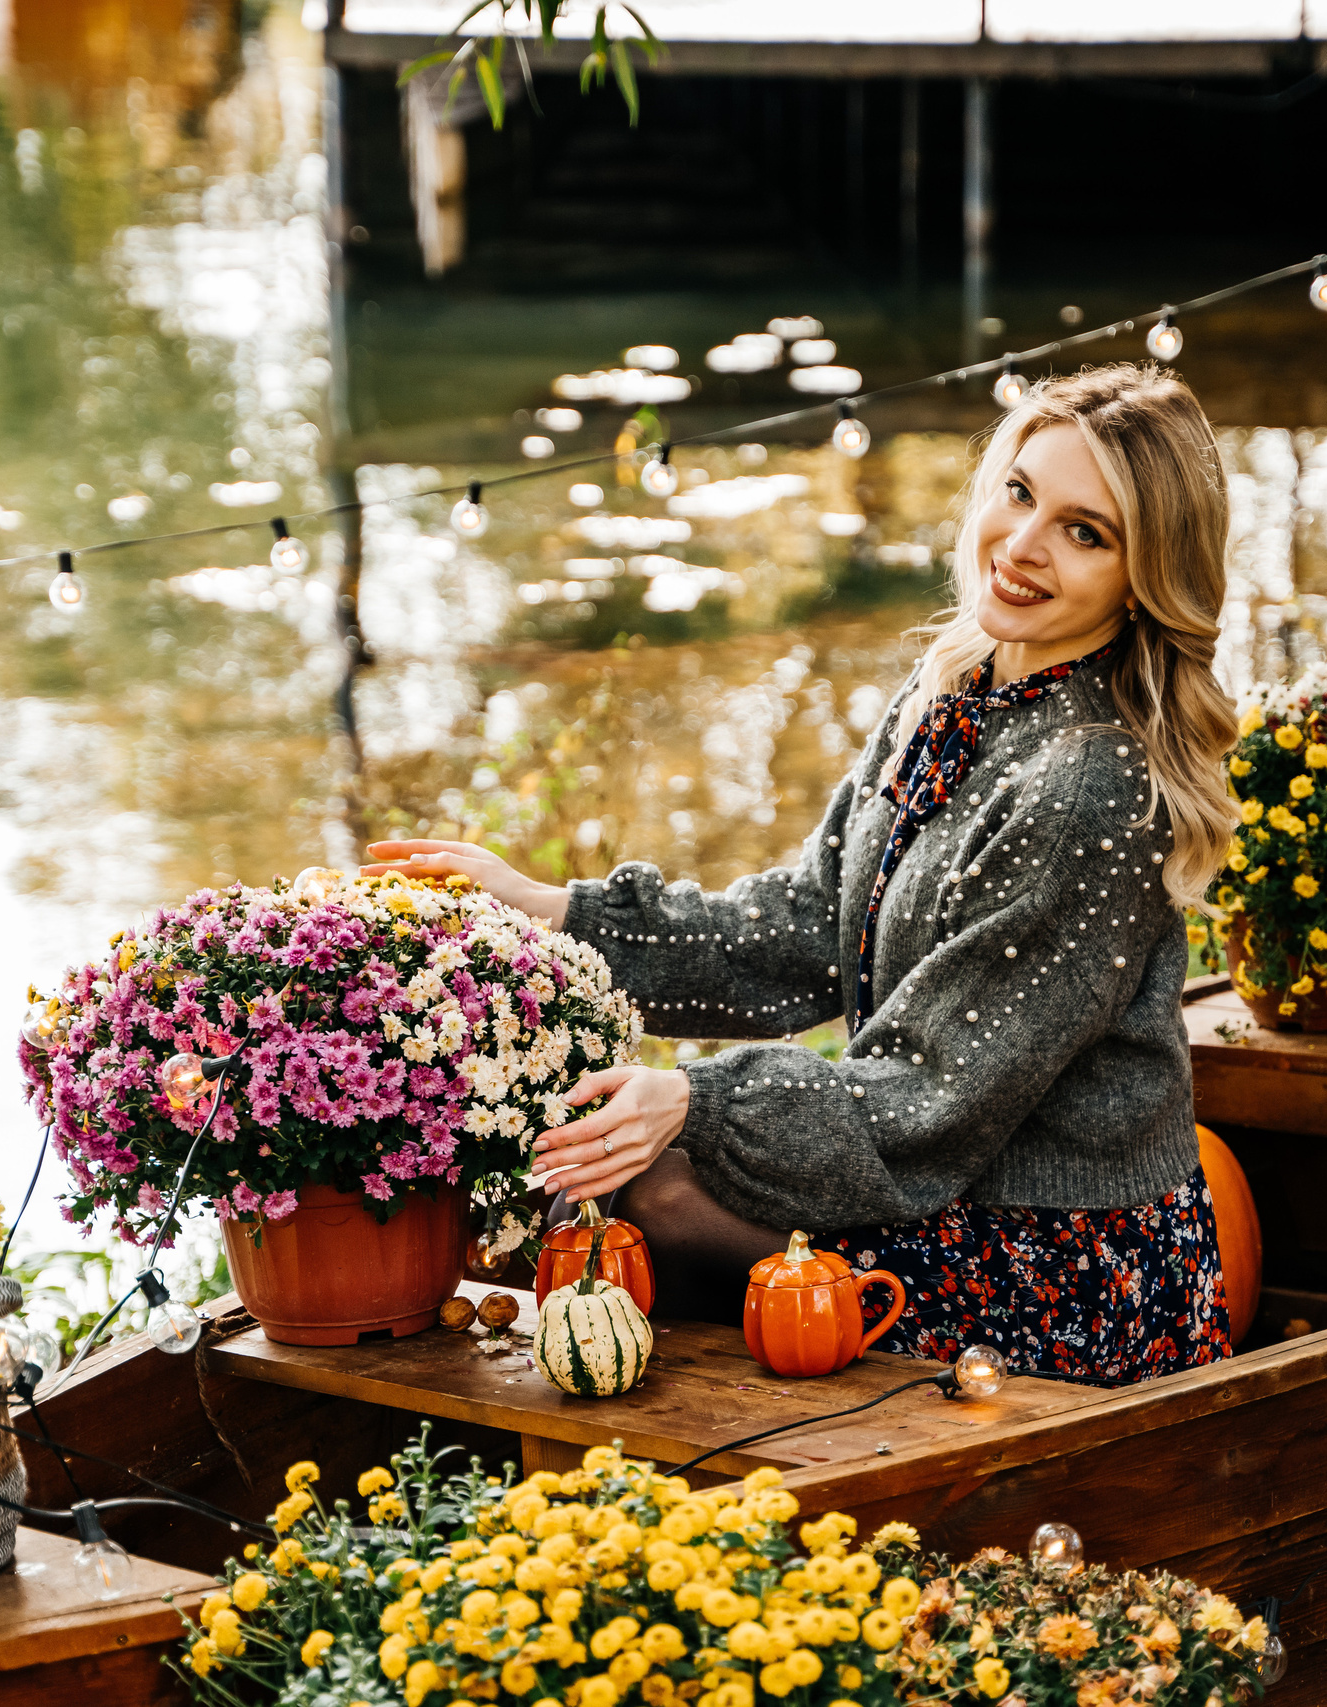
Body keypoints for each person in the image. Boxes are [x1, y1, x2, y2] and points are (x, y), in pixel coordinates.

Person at [365, 364, 1241, 1383]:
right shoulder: (953, 690)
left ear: (1144, 578)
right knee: (585, 1172)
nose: (1022, 545)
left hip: (1054, 1260)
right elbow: (808, 925)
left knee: (646, 1195)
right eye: (1018, 492)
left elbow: (934, 1091)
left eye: (1083, 532)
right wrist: (558, 911)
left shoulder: (1086, 787)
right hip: (940, 1193)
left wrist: (695, 1102)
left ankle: (680, 1477)